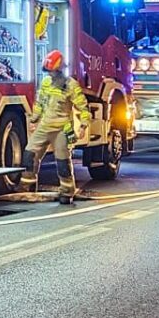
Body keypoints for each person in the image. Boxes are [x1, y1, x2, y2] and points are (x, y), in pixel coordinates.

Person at [22, 49, 91, 203]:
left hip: (62, 129)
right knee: (29, 155)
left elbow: (83, 108)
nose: (50, 74)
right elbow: (40, 103)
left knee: (62, 162)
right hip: (45, 126)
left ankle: (67, 192)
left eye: (52, 71)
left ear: (59, 70)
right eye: (48, 71)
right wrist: (34, 118)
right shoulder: (46, 82)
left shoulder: (71, 85)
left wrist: (83, 126)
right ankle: (28, 188)